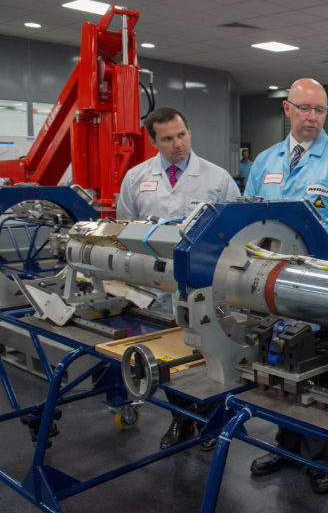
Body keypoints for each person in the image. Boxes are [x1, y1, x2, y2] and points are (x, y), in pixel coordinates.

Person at [243, 77, 328, 495]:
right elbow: (247, 215)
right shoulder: (265, 161)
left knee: (321, 371)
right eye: (304, 108)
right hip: (274, 287)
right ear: (287, 109)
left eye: (320, 110)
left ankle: (318, 460)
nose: (312, 117)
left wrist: (304, 234)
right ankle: (285, 446)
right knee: (278, 364)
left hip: (324, 287)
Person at [116, 106, 240, 450]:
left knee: (210, 359)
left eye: (182, 134)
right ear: (153, 139)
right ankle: (180, 421)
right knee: (170, 360)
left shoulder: (217, 178)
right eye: (168, 138)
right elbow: (125, 230)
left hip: (204, 288)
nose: (177, 143)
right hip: (155, 289)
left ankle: (211, 425)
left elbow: (236, 235)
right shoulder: (137, 178)